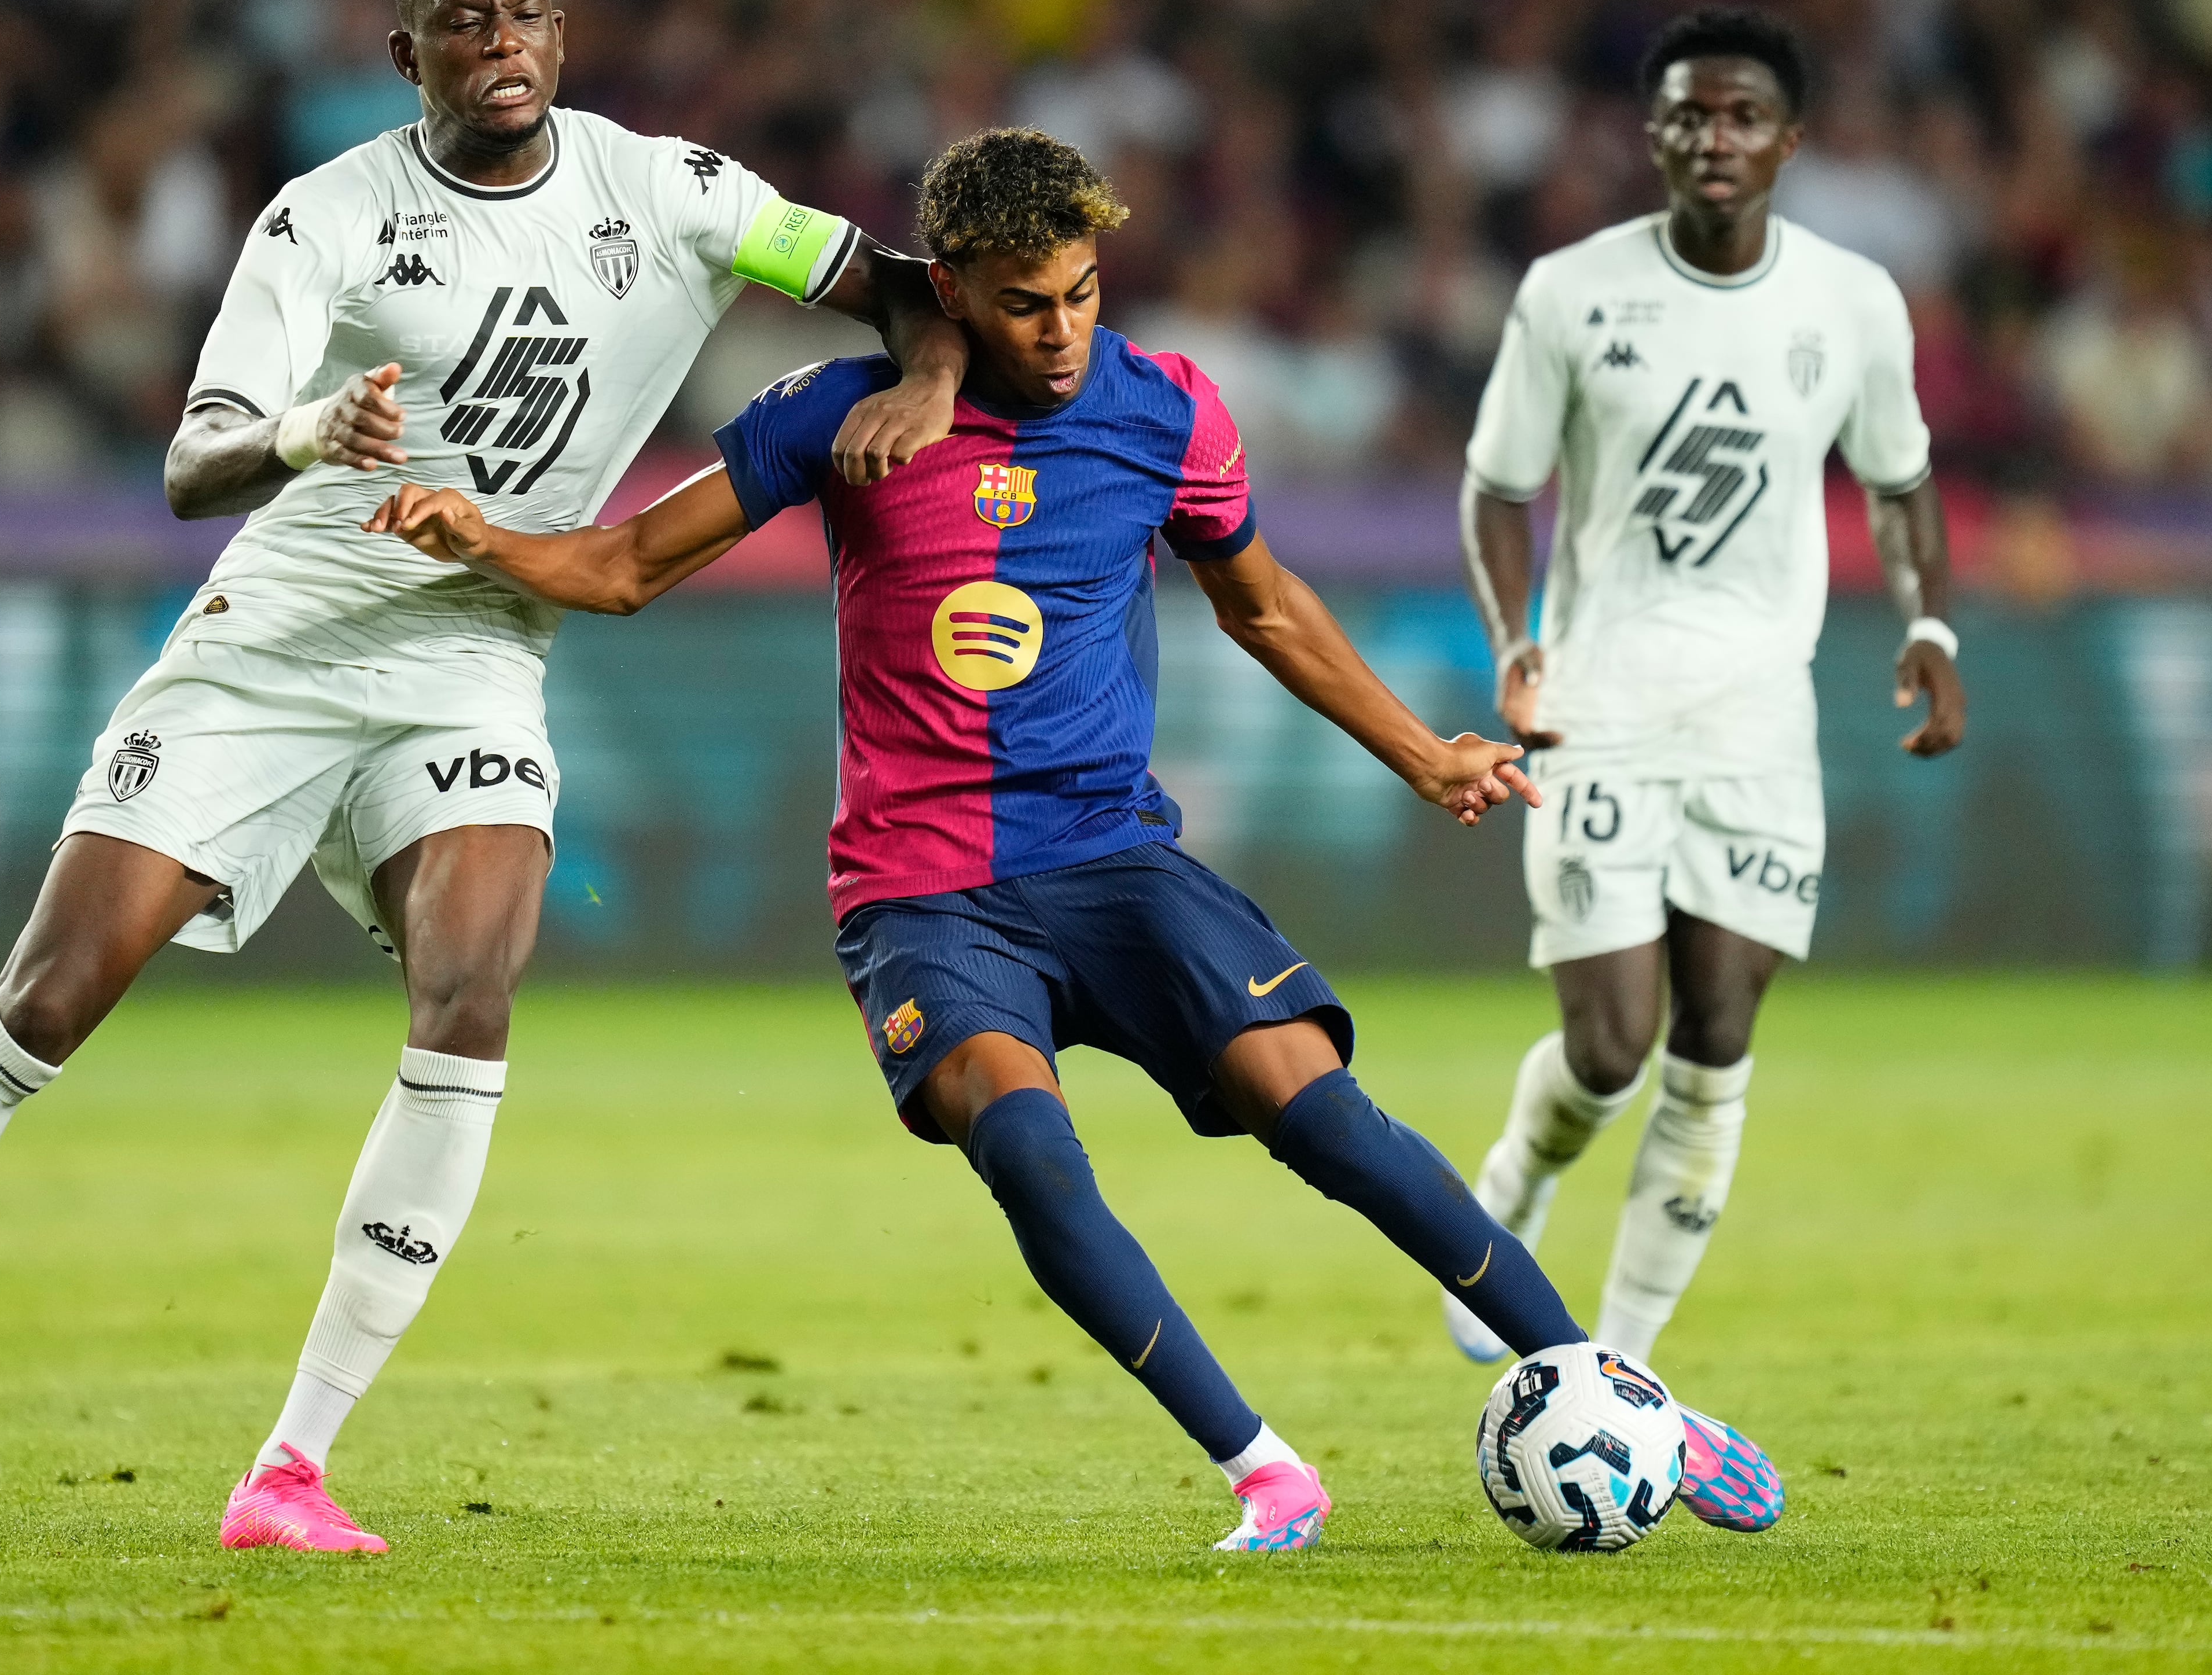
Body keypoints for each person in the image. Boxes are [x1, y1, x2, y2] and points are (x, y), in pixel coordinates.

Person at [0, 0, 968, 1551]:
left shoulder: (678, 196)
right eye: (464, 26)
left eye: (528, 15)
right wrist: (306, 426)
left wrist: (932, 377)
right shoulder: (324, 221)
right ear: (404, 56)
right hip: (278, 643)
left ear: (563, 30)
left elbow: (903, 289)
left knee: (471, 987)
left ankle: (293, 1465)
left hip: (475, 646)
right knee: (47, 998)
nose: (504, 46)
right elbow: (193, 466)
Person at [366, 127, 1779, 1547]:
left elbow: (1266, 604)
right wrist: (475, 534)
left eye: (1084, 293)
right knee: (1032, 1152)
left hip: (1112, 856)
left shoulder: (1165, 411)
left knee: (1325, 1113)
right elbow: (620, 568)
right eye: (1027, 302)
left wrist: (1425, 754)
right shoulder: (842, 417)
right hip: (924, 891)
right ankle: (1266, 1469)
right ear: (955, 291)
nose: (1062, 331)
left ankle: (1614, 1385)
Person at [1444, 7, 1964, 1411]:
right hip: (1600, 704)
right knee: (1609, 1048)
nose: (1711, 137)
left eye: (1740, 117)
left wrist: (1925, 617)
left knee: (1717, 1038)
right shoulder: (1569, 290)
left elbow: (1902, 478)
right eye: (1686, 114)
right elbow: (1498, 486)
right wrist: (1516, 643)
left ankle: (1615, 1370)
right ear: (1653, 132)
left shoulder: (1850, 302)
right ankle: (1519, 1170)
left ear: (1789, 142)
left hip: (1755, 718)